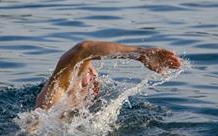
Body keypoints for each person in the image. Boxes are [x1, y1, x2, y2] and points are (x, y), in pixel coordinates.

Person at [35, 40, 181, 110]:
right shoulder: (54, 97)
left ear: (94, 91)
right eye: (84, 71)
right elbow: (83, 49)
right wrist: (140, 53)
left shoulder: (80, 116)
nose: (92, 72)